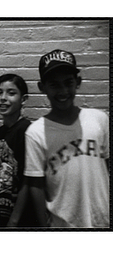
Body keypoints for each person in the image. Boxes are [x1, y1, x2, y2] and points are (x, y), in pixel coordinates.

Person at [24, 49, 109, 228]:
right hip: (63, 223)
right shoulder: (35, 132)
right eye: (54, 84)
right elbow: (36, 185)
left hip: (103, 218)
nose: (62, 91)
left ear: (77, 82)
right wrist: (45, 225)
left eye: (68, 82)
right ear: (42, 87)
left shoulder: (99, 119)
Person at [0, 74, 36, 227]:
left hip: (18, 218)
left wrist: (14, 220)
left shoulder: (26, 131)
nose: (3, 98)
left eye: (11, 93)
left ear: (24, 99)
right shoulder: (0, 131)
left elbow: (28, 180)